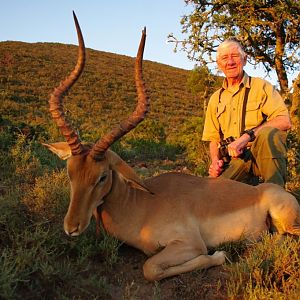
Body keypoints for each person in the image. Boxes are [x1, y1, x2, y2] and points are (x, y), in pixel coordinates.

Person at [202, 38, 292, 187]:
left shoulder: (261, 86)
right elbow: (213, 139)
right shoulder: (215, 99)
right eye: (224, 58)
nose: (230, 62)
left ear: (244, 59)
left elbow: (284, 121)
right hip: (236, 161)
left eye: (235, 56)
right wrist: (214, 162)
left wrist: (247, 137)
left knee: (268, 133)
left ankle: (276, 195)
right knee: (213, 194)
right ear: (219, 65)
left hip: (261, 155)